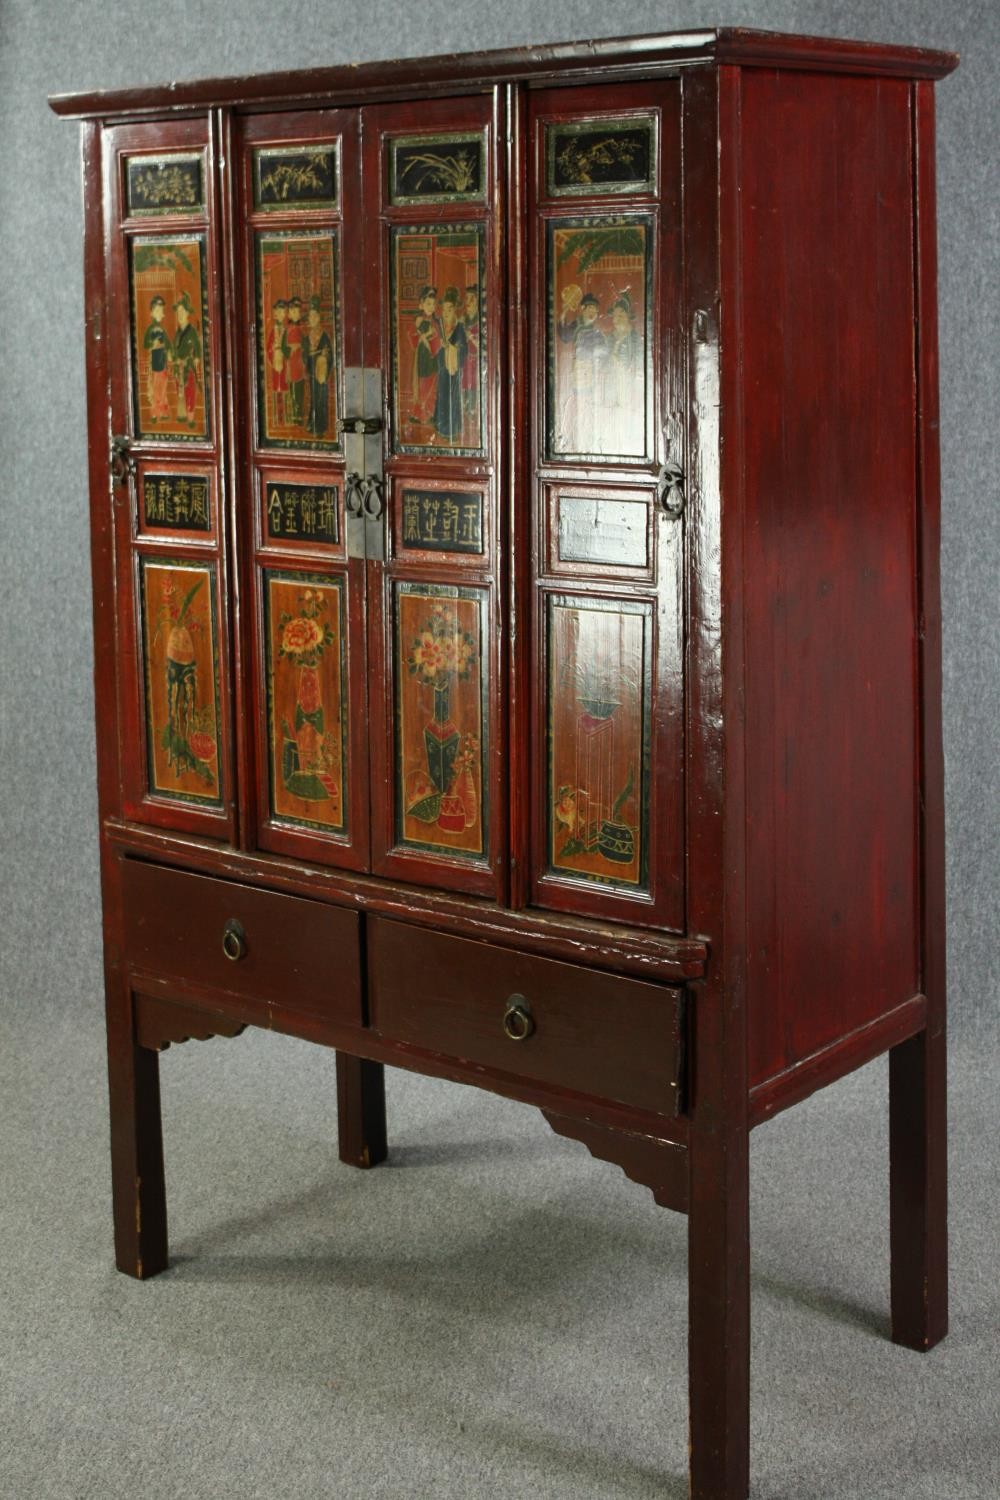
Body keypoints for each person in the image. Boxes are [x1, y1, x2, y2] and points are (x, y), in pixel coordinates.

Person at [557, 287, 606, 452]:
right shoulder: (576, 326)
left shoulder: (598, 333)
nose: (593, 312)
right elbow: (564, 336)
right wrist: (563, 312)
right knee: (575, 401)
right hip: (577, 370)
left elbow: (602, 352)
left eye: (595, 310)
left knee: (589, 403)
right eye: (590, 308)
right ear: (582, 309)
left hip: (591, 371)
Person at [604, 291, 645, 454]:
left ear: (628, 316)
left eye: (621, 314)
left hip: (630, 383)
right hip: (613, 382)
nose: (617, 318)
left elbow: (640, 363)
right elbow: (604, 362)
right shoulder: (609, 338)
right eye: (615, 315)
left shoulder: (635, 338)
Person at [432, 286, 467, 444]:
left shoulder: (459, 328)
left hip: (453, 370)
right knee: (442, 398)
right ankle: (441, 428)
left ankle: (452, 431)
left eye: (450, 310)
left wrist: (452, 348)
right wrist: (440, 346)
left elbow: (463, 349)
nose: (446, 313)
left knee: (453, 399)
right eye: (444, 310)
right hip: (443, 370)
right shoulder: (440, 327)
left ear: (455, 311)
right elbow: (434, 349)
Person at [408, 285, 440, 427]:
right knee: (422, 384)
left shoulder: (435, 322)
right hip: (422, 356)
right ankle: (418, 414)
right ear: (421, 304)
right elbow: (414, 337)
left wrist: (432, 340)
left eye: (433, 304)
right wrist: (426, 336)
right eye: (428, 304)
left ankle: (430, 413)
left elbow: (438, 338)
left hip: (432, 356)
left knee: (432, 383)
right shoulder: (419, 321)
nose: (431, 307)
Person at [172, 291, 203, 430]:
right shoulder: (177, 333)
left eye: (182, 311)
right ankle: (181, 414)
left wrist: (196, 358)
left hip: (189, 367)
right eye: (178, 312)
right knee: (180, 392)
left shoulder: (192, 332)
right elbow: (174, 350)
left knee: (190, 391)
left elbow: (197, 348)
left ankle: (190, 417)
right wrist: (174, 359)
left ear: (188, 313)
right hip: (179, 368)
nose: (180, 315)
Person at [303, 295, 333, 438]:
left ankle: (320, 427)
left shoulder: (324, 336)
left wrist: (324, 358)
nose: (312, 319)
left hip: (321, 374)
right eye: (310, 317)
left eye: (315, 317)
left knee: (321, 400)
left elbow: (329, 355)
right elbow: (305, 355)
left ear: (319, 318)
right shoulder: (307, 337)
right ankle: (312, 423)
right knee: (313, 399)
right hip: (312, 373)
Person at [142, 295, 171, 424]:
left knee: (163, 389)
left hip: (163, 363)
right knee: (155, 389)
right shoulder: (150, 329)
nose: (162, 314)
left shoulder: (163, 330)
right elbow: (145, 344)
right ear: (152, 312)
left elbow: (168, 344)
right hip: (154, 362)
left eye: (162, 311)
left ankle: (163, 412)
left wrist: (169, 352)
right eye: (159, 311)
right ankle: (155, 413)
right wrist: (153, 344)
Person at [266, 298, 289, 429]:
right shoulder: (273, 330)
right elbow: (268, 347)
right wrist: (273, 351)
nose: (280, 314)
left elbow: (288, 348)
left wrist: (284, 352)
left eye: (282, 312)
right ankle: (278, 419)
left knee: (285, 389)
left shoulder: (286, 330)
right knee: (277, 390)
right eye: (278, 312)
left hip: (284, 364)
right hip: (276, 362)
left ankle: (285, 417)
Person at [462, 283, 480, 437]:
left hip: (476, 362)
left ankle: (474, 415)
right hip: (464, 360)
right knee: (464, 387)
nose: (467, 302)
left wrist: (470, 337)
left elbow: (483, 345)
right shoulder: (463, 321)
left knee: (474, 387)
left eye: (471, 299)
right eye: (466, 299)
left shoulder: (481, 322)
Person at [285, 296, 306, 425]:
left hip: (300, 364)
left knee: (300, 390)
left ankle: (299, 414)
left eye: (297, 312)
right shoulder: (288, 331)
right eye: (293, 312)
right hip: (292, 364)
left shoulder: (301, 330)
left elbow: (305, 344)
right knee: (293, 390)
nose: (296, 314)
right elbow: (283, 347)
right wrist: (290, 349)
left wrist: (300, 346)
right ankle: (295, 414)